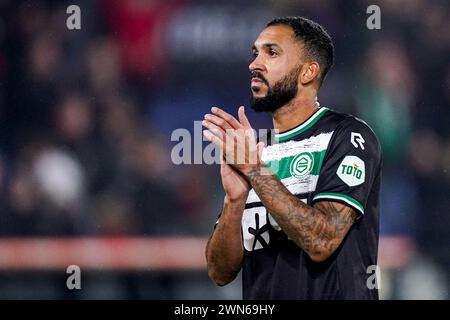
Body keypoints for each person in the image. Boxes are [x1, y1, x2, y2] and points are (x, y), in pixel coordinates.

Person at [202, 16, 382, 299]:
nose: (254, 64)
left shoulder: (347, 136)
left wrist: (255, 170)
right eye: (255, 53)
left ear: (308, 72)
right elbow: (219, 272)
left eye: (271, 53)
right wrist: (234, 202)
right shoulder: (255, 152)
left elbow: (322, 241)